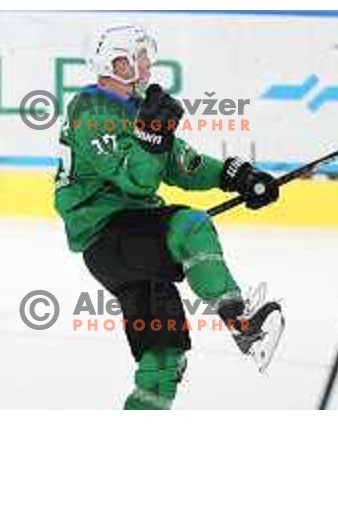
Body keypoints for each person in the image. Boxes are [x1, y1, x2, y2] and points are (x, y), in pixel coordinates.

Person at [54, 25, 285, 410]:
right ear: (116, 62)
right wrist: (152, 137)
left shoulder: (136, 106)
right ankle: (242, 322)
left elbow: (183, 165)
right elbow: (136, 179)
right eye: (137, 59)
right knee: (191, 227)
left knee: (163, 359)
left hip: (132, 246)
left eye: (147, 58)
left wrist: (237, 177)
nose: (146, 66)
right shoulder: (90, 110)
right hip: (108, 236)